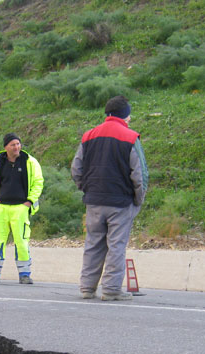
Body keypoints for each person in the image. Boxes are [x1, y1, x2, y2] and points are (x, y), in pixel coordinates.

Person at [71, 95, 148, 301]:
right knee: (116, 246)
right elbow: (139, 174)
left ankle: (87, 288)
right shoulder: (131, 138)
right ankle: (111, 289)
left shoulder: (88, 136)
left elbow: (76, 169)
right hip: (120, 202)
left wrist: (86, 188)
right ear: (125, 115)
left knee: (93, 243)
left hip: (94, 200)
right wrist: (138, 200)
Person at [0, 133, 44, 284]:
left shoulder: (29, 161)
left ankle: (25, 274)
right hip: (1, 207)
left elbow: (38, 182)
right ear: (6, 147)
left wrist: (29, 201)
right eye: (13, 144)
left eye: (18, 144)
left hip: (21, 208)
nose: (16, 147)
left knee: (22, 241)